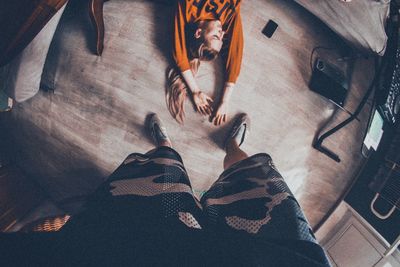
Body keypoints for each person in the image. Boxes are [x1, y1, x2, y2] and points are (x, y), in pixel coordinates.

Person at [0, 113, 331, 266]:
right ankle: (231, 145)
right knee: (254, 177)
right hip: (285, 255)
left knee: (159, 175)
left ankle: (165, 145)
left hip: (143, 248)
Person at [167, 0, 244, 125]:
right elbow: (235, 54)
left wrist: (195, 91)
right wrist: (225, 101)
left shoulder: (188, 9)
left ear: (198, 32)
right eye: (222, 38)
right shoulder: (228, 18)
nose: (222, 33)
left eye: (215, 36)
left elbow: (179, 55)